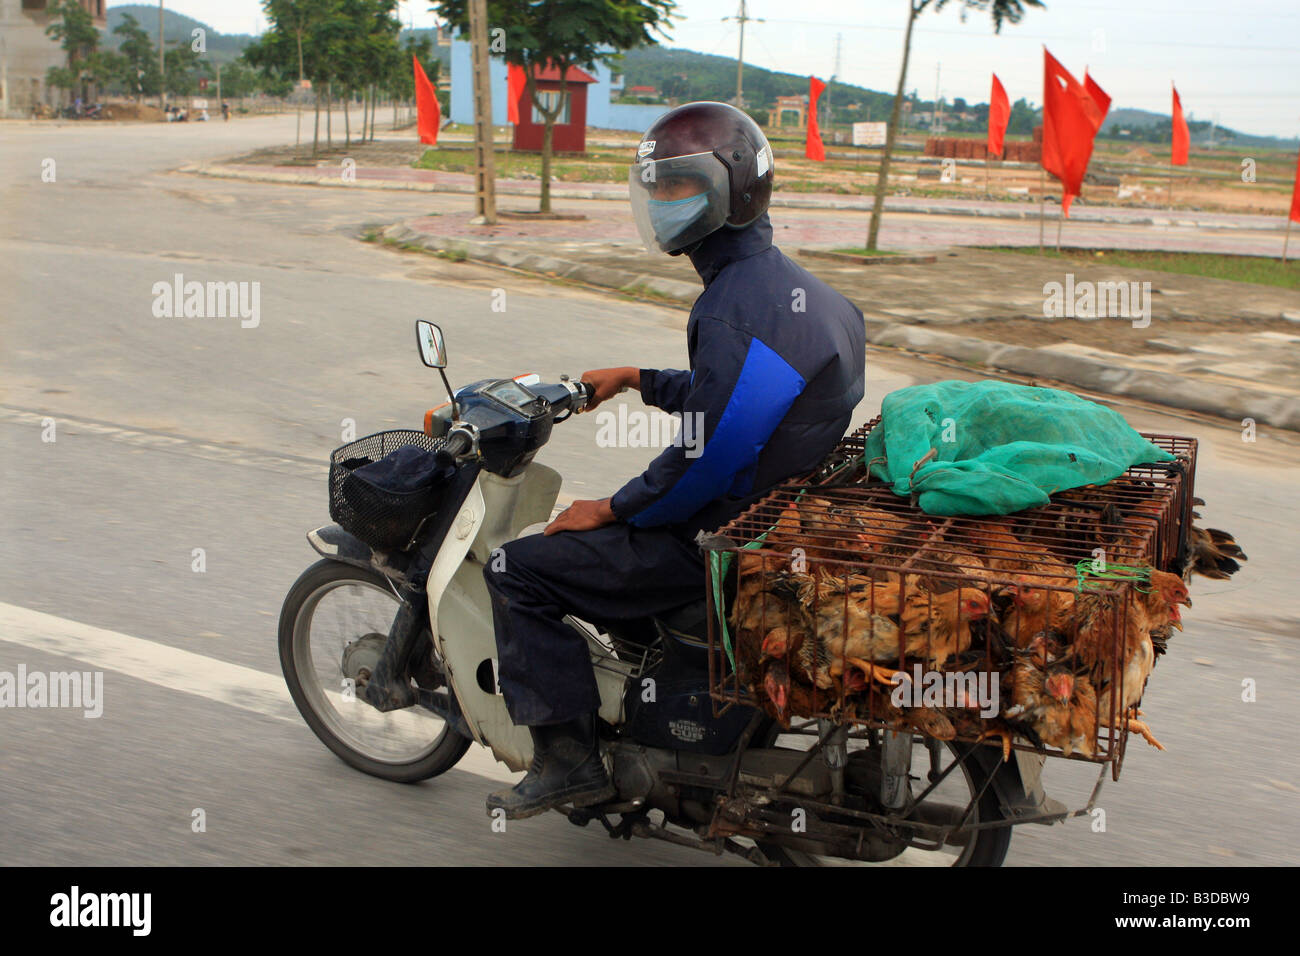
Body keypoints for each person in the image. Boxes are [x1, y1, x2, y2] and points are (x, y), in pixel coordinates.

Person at [482, 102, 866, 819]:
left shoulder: (728, 309)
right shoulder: (814, 298)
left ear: (726, 193)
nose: (660, 204)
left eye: (675, 187)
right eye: (655, 188)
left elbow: (705, 461)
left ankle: (567, 763)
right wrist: (637, 379)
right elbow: (746, 399)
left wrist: (613, 507)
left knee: (519, 570)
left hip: (716, 541)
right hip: (774, 520)